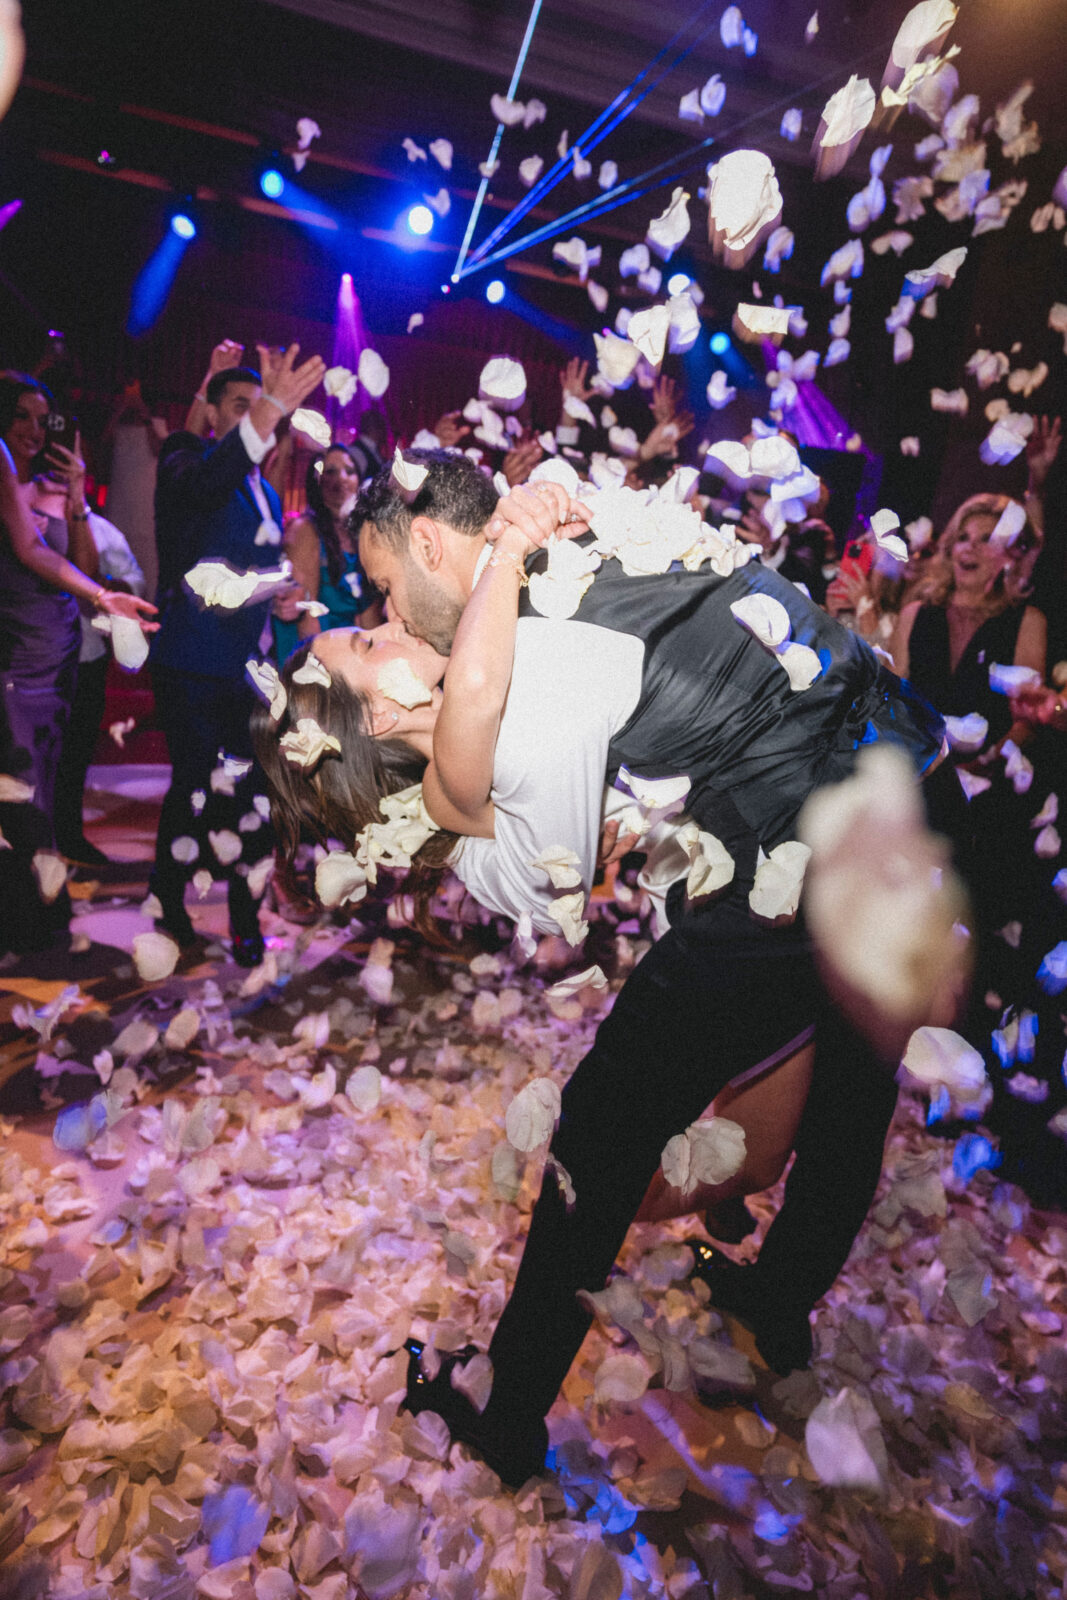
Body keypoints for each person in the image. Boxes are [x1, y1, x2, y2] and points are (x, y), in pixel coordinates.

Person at [252, 450, 956, 1487]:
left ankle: (505, 1409)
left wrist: (512, 530)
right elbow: (542, 750)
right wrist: (513, 529)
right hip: (906, 781)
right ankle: (776, 1305)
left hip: (804, 845)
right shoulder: (521, 654)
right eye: (372, 633)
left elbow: (590, 745)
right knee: (853, 1082)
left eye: (384, 604)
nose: (389, 619)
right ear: (381, 725)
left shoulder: (525, 657)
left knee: (599, 1130)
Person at [148, 343, 325, 962]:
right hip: (190, 663)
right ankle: (168, 903)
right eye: (243, 407)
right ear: (215, 414)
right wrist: (269, 411)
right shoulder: (184, 457)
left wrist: (281, 596)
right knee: (194, 789)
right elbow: (202, 491)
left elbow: (252, 575)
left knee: (253, 795)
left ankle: (245, 919)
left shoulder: (267, 495)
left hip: (244, 671)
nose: (259, 417)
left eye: (263, 407)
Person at [0, 373, 156, 845]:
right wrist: (102, 597)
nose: (35, 429)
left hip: (59, 649)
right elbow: (27, 550)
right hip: (15, 651)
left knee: (44, 775)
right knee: (18, 778)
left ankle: (40, 879)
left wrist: (76, 500)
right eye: (21, 415)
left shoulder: (53, 489)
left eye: (43, 420)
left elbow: (80, 565)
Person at [52, 509, 147, 864]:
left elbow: (134, 582)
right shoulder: (19, 515)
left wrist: (99, 585)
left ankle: (68, 835)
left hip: (85, 654)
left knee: (74, 754)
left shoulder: (101, 530)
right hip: (23, 656)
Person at [271, 444, 381, 662]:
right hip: (313, 663)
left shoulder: (360, 536)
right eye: (330, 471)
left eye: (350, 471)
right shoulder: (305, 531)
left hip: (346, 657)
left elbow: (370, 620)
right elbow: (308, 623)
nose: (342, 478)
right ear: (317, 481)